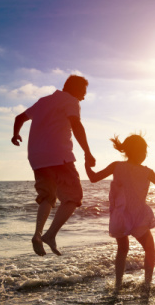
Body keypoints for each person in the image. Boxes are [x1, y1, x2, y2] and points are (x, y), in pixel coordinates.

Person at [85, 134, 155, 295]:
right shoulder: (147, 172)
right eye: (144, 150)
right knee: (149, 248)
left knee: (123, 249)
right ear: (136, 151)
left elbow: (93, 178)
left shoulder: (116, 166)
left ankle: (117, 286)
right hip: (138, 217)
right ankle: (147, 284)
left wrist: (86, 164)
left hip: (120, 217)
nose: (145, 154)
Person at [11, 75, 96, 257]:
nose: (83, 96)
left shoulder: (43, 101)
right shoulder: (71, 101)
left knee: (47, 197)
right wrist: (87, 152)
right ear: (74, 88)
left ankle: (37, 235)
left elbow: (19, 118)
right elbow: (76, 125)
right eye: (83, 91)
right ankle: (50, 235)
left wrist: (15, 135)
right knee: (74, 197)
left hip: (37, 158)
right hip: (59, 156)